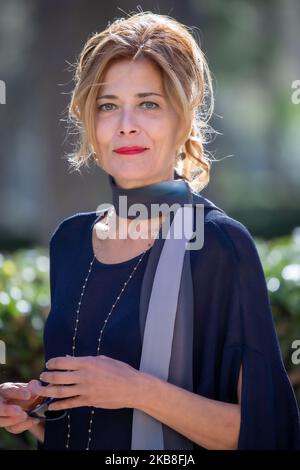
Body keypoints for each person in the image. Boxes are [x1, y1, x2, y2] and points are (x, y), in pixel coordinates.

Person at [1, 11, 300, 450]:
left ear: (184, 119)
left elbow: (268, 434)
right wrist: (39, 410)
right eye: (108, 105)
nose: (126, 123)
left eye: (149, 103)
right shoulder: (69, 241)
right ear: (90, 121)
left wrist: (137, 390)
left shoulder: (220, 245)